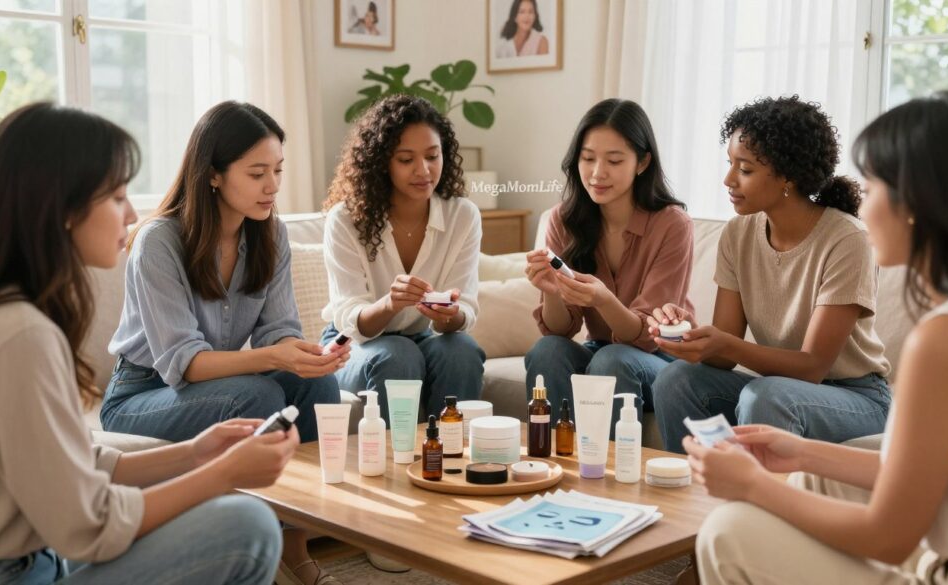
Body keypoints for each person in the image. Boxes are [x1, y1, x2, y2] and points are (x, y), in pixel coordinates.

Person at [0, 102, 293, 585]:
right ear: (61, 210)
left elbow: (70, 463)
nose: (131, 213)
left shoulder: (10, 315)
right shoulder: (19, 334)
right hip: (8, 573)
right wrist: (221, 475)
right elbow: (89, 525)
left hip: (29, 560)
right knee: (247, 526)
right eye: (117, 196)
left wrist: (194, 454)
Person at [689, 90, 948, 585]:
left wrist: (754, 485)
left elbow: (890, 534)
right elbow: (920, 476)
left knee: (729, 529)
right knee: (811, 478)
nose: (862, 208)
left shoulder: (946, 342)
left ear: (917, 204)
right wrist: (800, 450)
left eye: (872, 189)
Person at [99, 101, 346, 585]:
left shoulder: (271, 232)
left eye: (277, 170)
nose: (272, 186)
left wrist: (309, 355)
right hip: (142, 394)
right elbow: (185, 363)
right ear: (213, 174)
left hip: (223, 380)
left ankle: (295, 548)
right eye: (257, 174)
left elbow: (279, 330)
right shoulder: (159, 242)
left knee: (317, 391)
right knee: (258, 396)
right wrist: (274, 357)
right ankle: (257, 543)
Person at [649, 96, 892, 453]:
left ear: (788, 177)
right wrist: (690, 335)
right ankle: (694, 496)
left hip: (855, 396)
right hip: (777, 386)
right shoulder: (738, 234)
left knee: (765, 396)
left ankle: (757, 506)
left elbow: (812, 367)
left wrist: (723, 342)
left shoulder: (846, 239)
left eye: (745, 170)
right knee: (676, 380)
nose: (728, 179)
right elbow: (723, 355)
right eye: (730, 164)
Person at [524, 98, 694, 429]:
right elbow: (561, 329)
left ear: (642, 163)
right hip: (601, 349)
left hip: (662, 357)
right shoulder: (562, 220)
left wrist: (604, 299)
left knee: (613, 360)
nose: (597, 173)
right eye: (588, 159)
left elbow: (648, 335)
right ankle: (554, 464)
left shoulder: (672, 224)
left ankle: (607, 474)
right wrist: (552, 292)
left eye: (614, 161)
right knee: (548, 352)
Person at [322, 94, 486, 421]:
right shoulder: (345, 220)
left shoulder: (462, 216)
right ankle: (395, 464)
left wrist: (447, 314)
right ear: (382, 162)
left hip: (422, 337)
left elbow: (464, 309)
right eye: (406, 159)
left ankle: (452, 457)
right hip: (352, 342)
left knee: (462, 351)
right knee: (398, 355)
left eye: (432, 156)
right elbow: (349, 316)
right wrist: (390, 303)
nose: (423, 170)